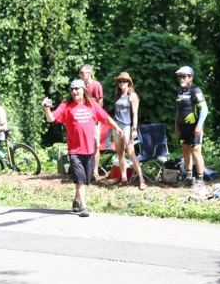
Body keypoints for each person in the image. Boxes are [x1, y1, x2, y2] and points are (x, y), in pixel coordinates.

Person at [42, 80, 123, 217]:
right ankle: (84, 207)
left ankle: (75, 202)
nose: (74, 91)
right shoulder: (66, 106)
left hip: (89, 149)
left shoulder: (92, 105)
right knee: (79, 178)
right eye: (72, 89)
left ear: (84, 89)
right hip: (75, 150)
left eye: (76, 89)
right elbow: (51, 119)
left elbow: (106, 117)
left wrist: (117, 128)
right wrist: (47, 108)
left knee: (84, 179)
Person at [174, 66, 208, 192]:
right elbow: (179, 109)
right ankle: (188, 178)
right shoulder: (180, 91)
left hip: (195, 127)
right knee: (185, 150)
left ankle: (200, 180)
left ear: (190, 78)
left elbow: (204, 109)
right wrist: (176, 124)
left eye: (184, 76)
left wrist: (199, 125)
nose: (181, 78)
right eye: (180, 76)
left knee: (196, 152)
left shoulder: (195, 90)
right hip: (184, 127)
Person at [111, 72, 147, 190]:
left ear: (129, 83)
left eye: (124, 81)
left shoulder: (133, 96)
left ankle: (141, 179)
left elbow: (135, 114)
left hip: (127, 126)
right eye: (120, 81)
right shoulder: (117, 96)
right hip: (117, 126)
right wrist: (114, 127)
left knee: (131, 153)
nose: (122, 83)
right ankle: (124, 178)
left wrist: (135, 129)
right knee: (120, 153)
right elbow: (116, 113)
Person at [79, 64, 105, 179]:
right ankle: (85, 169)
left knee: (95, 145)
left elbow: (100, 102)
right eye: (80, 73)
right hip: (82, 119)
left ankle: (95, 171)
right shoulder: (80, 86)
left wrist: (96, 117)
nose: (80, 75)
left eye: (82, 73)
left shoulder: (96, 85)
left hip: (93, 120)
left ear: (89, 73)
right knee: (83, 143)